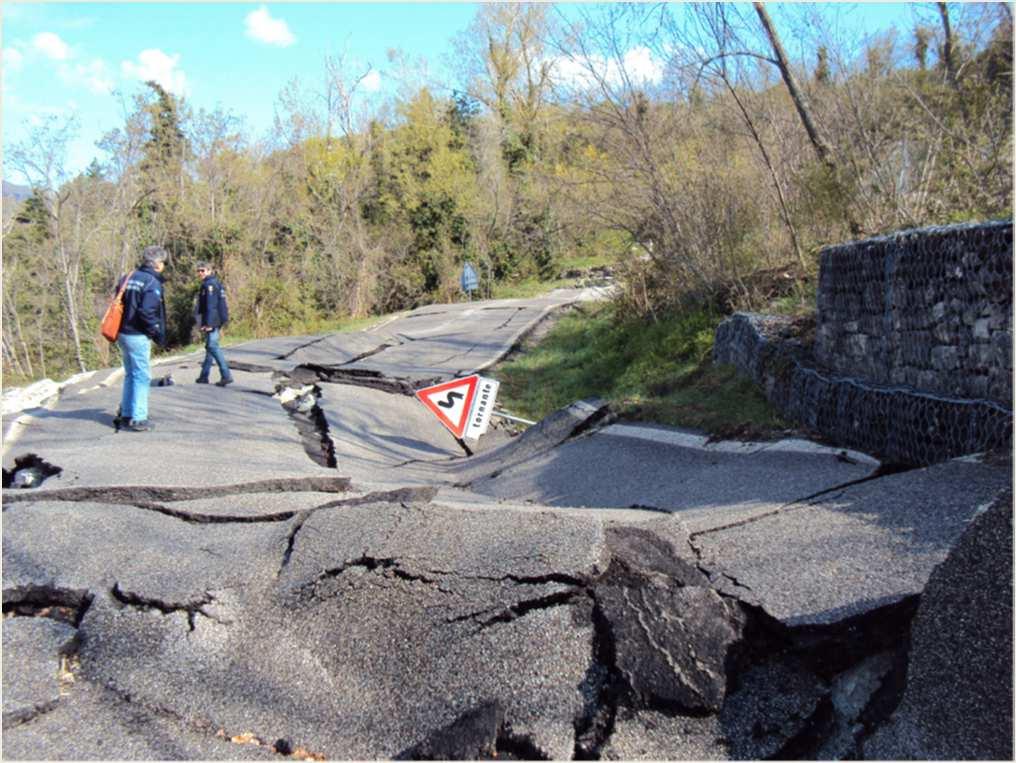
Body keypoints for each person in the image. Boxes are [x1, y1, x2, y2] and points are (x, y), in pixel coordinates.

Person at [116, 245, 168, 433]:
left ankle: (127, 413)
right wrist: (155, 332)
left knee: (131, 374)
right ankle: (139, 418)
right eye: (163, 262)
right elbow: (147, 311)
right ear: (157, 264)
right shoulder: (151, 282)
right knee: (142, 376)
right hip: (137, 334)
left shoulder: (128, 277)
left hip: (122, 332)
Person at [193, 261, 234, 387]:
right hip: (215, 319)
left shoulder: (210, 285)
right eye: (198, 270)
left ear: (209, 271)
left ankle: (226, 375)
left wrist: (209, 323)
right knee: (209, 347)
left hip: (214, 319)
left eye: (203, 270)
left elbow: (211, 307)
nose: (200, 273)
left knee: (212, 346)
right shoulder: (211, 283)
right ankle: (204, 376)